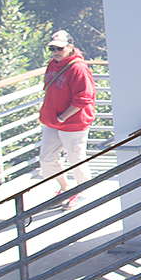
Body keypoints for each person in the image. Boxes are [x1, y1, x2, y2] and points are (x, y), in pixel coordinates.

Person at [37, 30, 96, 207]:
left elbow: (83, 98)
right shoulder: (53, 64)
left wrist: (63, 117)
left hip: (73, 123)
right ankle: (65, 188)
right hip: (53, 121)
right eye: (52, 49)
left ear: (70, 47)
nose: (55, 52)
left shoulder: (78, 68)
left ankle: (82, 191)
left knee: (76, 158)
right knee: (46, 158)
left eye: (59, 49)